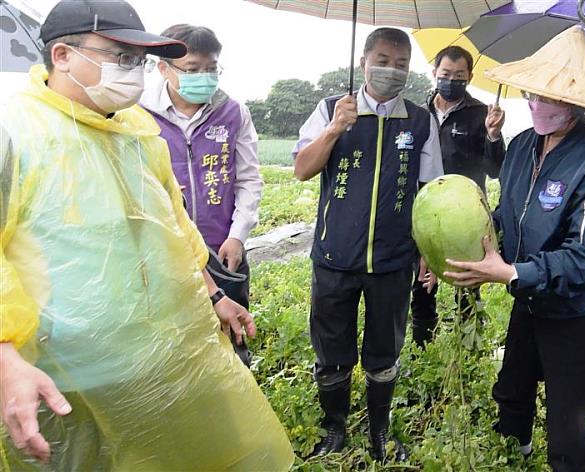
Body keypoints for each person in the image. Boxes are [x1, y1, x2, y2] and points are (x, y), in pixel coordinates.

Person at [0, 1, 294, 469]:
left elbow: (175, 230)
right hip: (61, 370)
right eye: (120, 56)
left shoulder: (138, 131)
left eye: (138, 60)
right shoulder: (15, 131)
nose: (133, 71)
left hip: (152, 348)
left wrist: (215, 295)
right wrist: (6, 359)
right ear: (61, 55)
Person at [445, 27, 585, 471]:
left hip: (581, 311)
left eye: (552, 97)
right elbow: (508, 217)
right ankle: (516, 455)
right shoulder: (523, 145)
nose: (537, 104)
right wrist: (461, 249)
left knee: (568, 419)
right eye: (533, 93)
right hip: (530, 297)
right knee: (512, 391)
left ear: (580, 103)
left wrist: (511, 274)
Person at [292, 27, 443, 461]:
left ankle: (380, 431)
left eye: (400, 64)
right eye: (382, 60)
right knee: (332, 350)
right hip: (335, 257)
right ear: (363, 63)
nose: (390, 71)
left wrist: (428, 255)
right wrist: (336, 129)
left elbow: (430, 191)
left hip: (393, 262)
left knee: (384, 352)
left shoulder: (418, 120)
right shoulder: (329, 110)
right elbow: (303, 168)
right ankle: (334, 428)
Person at [141, 24, 262, 365]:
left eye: (211, 69)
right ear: (163, 67)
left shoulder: (233, 112)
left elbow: (249, 179)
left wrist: (238, 236)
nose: (204, 78)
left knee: (231, 339)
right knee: (173, 347)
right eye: (193, 70)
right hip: (164, 250)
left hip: (222, 250)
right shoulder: (137, 113)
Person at [410, 45, 506, 347]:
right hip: (424, 212)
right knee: (422, 281)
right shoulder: (418, 114)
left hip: (466, 217)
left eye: (459, 76)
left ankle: (469, 344)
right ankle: (422, 343)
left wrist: (493, 134)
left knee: (468, 282)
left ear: (470, 77)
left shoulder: (481, 114)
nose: (452, 80)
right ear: (435, 73)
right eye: (446, 74)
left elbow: (494, 169)